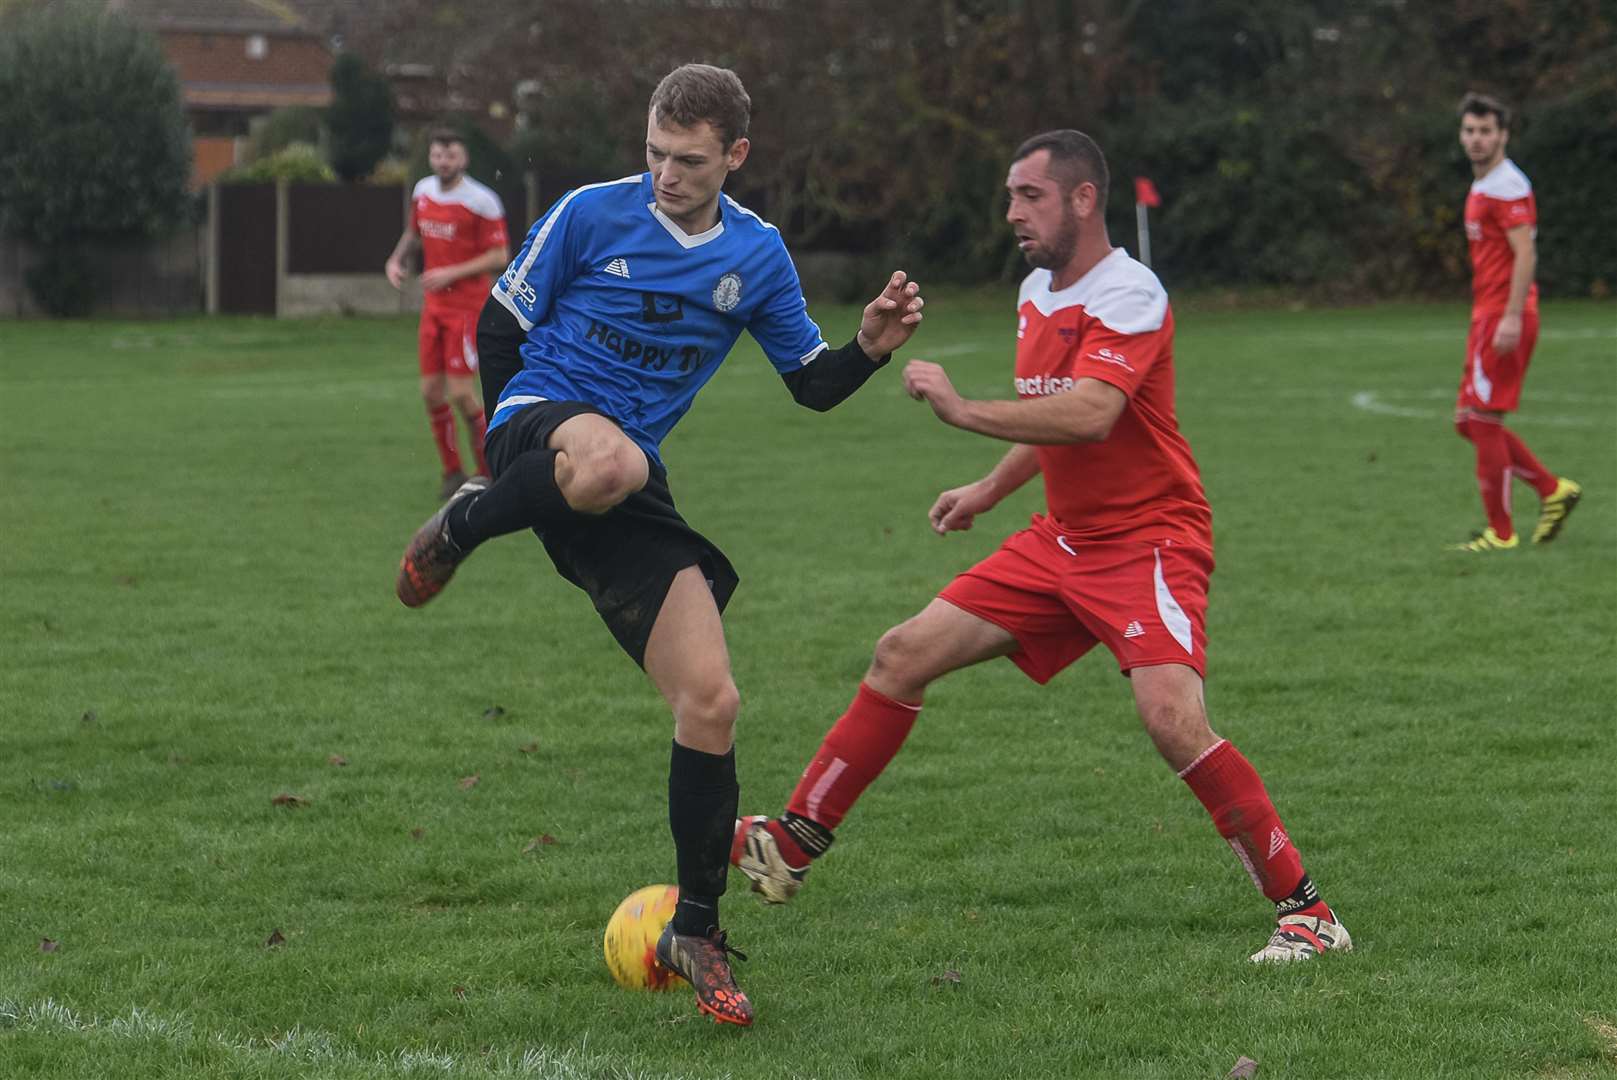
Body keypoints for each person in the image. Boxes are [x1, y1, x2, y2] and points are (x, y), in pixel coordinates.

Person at [731, 130, 1351, 965]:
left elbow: (1091, 412)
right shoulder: (1034, 291)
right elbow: (1053, 415)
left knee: (1171, 720)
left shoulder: (1130, 292)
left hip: (1148, 541)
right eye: (1011, 197)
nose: (1012, 213)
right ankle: (791, 844)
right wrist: (988, 489)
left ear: (1082, 199)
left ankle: (1307, 913)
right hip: (1061, 542)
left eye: (1030, 196)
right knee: (901, 653)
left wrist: (959, 408)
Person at [394, 64, 925, 1026]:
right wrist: (507, 444)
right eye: (653, 154)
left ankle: (697, 929)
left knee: (711, 700)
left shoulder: (756, 256)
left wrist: (871, 347)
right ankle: (467, 519)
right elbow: (499, 323)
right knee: (607, 464)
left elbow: (808, 383)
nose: (663, 176)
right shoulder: (589, 214)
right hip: (542, 427)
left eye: (686, 161)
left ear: (735, 156)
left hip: (623, 471)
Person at [1450, 92, 1580, 552]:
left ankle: (1501, 534)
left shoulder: (1507, 185)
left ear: (1503, 135)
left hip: (1504, 315)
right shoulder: (1486, 183)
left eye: (1486, 131)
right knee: (1469, 421)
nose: (1477, 140)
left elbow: (1526, 252)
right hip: (1487, 312)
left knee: (1482, 420)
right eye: (1470, 131)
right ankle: (1551, 490)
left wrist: (1510, 316)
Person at [386, 129, 511, 499]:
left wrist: (450, 273)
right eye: (438, 155)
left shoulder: (483, 201)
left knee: (461, 394)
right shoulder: (423, 191)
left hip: (467, 310)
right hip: (434, 309)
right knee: (430, 392)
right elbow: (413, 233)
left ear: (464, 158)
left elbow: (500, 257)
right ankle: (452, 472)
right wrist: (397, 259)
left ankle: (491, 471)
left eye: (451, 155)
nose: (444, 162)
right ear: (431, 158)